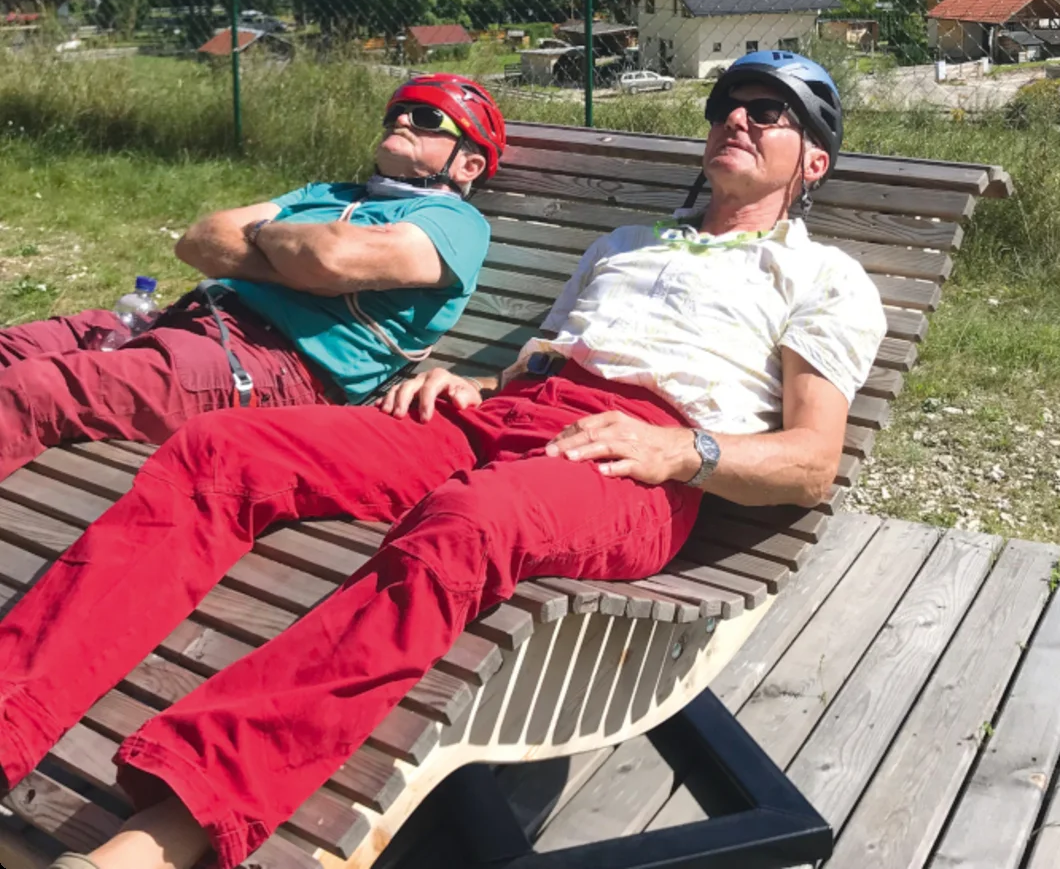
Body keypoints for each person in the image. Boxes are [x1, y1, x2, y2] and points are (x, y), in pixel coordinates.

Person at [0, 51, 887, 869]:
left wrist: (682, 448)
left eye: (770, 111)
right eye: (729, 104)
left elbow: (812, 460)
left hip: (633, 462)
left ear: (813, 161)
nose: (738, 118)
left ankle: (163, 835)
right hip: (502, 416)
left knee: (467, 524)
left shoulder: (826, 279)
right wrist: (469, 378)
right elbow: (548, 358)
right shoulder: (623, 243)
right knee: (221, 451)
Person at [0, 72, 505, 481]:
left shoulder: (456, 223)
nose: (402, 120)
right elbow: (199, 239)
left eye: (427, 118)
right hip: (187, 325)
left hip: (274, 367)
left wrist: (263, 236)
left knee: (37, 388)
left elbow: (331, 258)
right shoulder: (328, 192)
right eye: (396, 112)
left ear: (468, 164)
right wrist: (295, 266)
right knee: (12, 348)